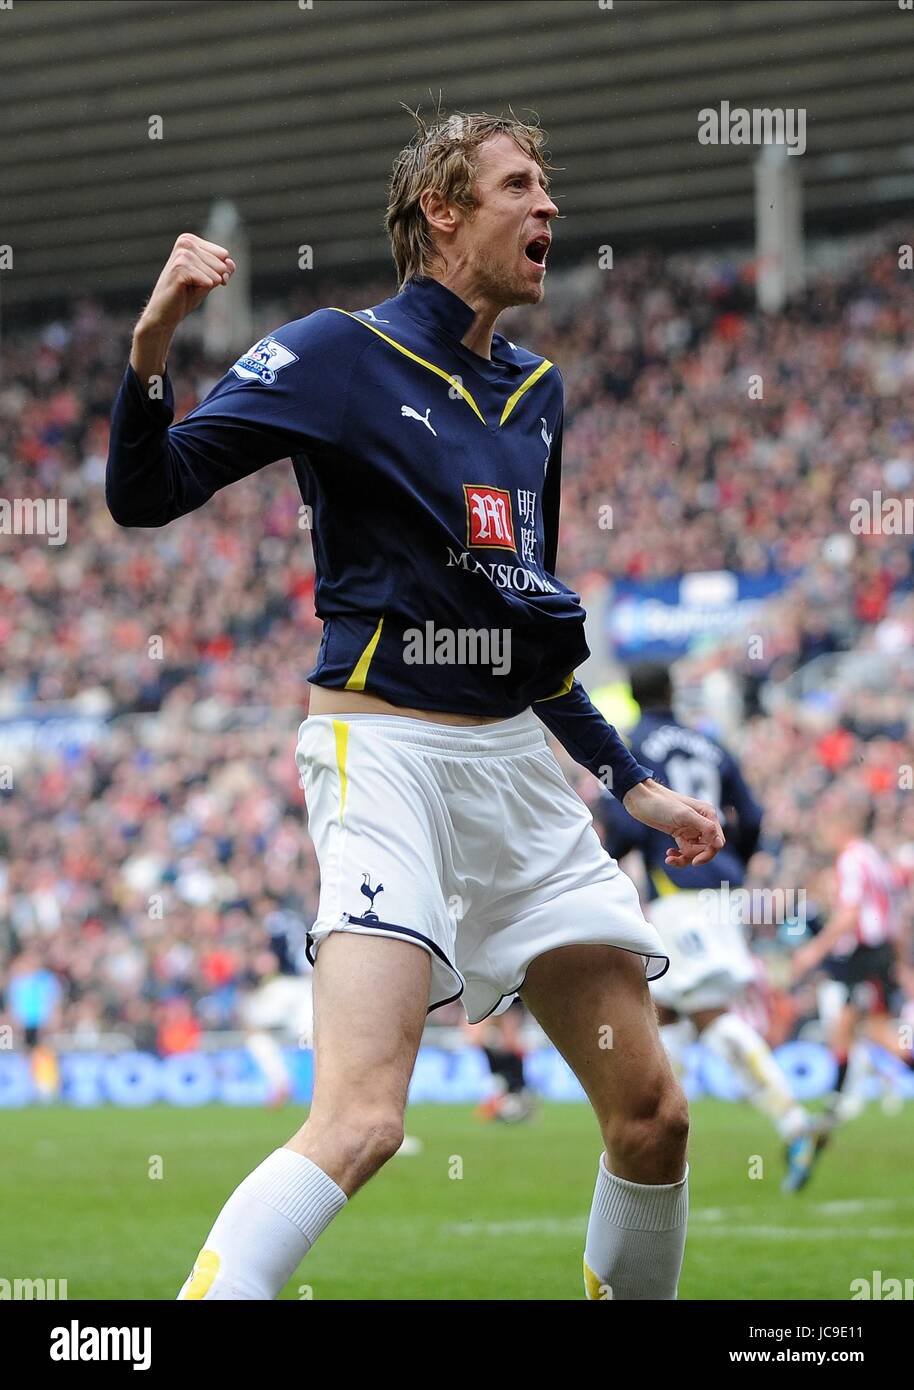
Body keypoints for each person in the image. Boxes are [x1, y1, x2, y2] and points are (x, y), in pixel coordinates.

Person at [107, 109, 725, 1302]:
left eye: (548, 187)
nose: (548, 208)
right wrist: (150, 350)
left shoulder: (536, 395)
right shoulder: (337, 355)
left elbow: (527, 625)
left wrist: (628, 779)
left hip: (515, 773)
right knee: (359, 1123)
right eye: (519, 186)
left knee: (653, 1117)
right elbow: (149, 489)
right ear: (442, 210)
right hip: (382, 755)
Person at [598, 662, 819, 1193]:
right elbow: (755, 815)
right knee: (665, 1010)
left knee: (703, 1010)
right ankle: (661, 1132)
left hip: (680, 886)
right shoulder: (709, 745)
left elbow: (627, 823)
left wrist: (612, 860)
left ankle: (794, 1122)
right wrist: (730, 864)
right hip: (721, 886)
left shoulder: (637, 745)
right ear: (673, 691)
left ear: (632, 696)